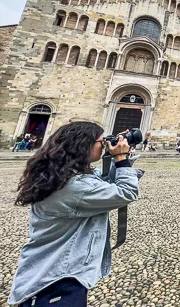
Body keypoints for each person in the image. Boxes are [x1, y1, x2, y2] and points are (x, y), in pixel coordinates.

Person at [8, 121, 140, 307]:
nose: (103, 146)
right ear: (83, 145)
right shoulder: (76, 188)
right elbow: (126, 192)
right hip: (56, 282)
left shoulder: (59, 175)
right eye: (101, 143)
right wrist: (121, 159)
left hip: (49, 275)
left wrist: (118, 155)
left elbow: (102, 184)